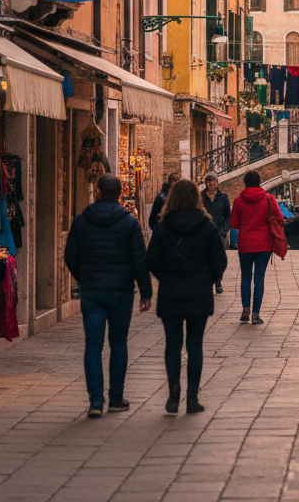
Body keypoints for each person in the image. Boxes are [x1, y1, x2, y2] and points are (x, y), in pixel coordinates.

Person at [63, 174, 151, 418]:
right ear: (120, 194)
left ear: (98, 192)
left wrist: (85, 278)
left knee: (93, 345)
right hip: (121, 291)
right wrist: (146, 292)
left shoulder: (81, 221)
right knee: (118, 343)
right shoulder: (129, 222)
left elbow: (70, 255)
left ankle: (95, 402)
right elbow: (139, 260)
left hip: (92, 292)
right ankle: (116, 398)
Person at [146, 179, 227, 414]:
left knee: (172, 345)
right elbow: (219, 262)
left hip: (171, 291)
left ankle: (173, 394)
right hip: (199, 292)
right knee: (195, 345)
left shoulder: (162, 227)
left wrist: (167, 276)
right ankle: (192, 398)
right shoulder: (208, 227)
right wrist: (206, 280)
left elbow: (152, 260)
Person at [230, 170, 281, 325]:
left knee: (246, 277)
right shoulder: (268, 198)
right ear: (259, 182)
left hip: (245, 243)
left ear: (245, 182)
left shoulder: (238, 200)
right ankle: (255, 314)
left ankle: (245, 310)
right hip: (264, 244)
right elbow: (279, 218)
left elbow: (233, 224)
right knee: (259, 278)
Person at [201, 173, 231, 294]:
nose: (212, 184)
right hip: (204, 233)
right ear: (206, 183)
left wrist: (223, 231)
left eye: (214, 182)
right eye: (209, 182)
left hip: (219, 233)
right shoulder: (200, 197)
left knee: (218, 259)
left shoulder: (223, 197)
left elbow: (228, 216)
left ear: (217, 183)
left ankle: (218, 281)